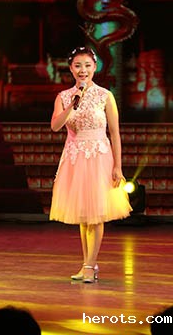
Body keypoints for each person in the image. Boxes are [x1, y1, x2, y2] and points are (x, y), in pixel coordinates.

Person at [49, 46, 132, 283]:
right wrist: (72, 104)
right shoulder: (64, 97)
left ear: (95, 67)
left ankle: (89, 266)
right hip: (75, 158)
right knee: (84, 216)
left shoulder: (105, 96)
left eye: (87, 65)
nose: (82, 70)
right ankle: (89, 264)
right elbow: (55, 126)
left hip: (99, 157)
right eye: (77, 66)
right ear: (71, 69)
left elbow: (114, 133)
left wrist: (118, 166)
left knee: (96, 215)